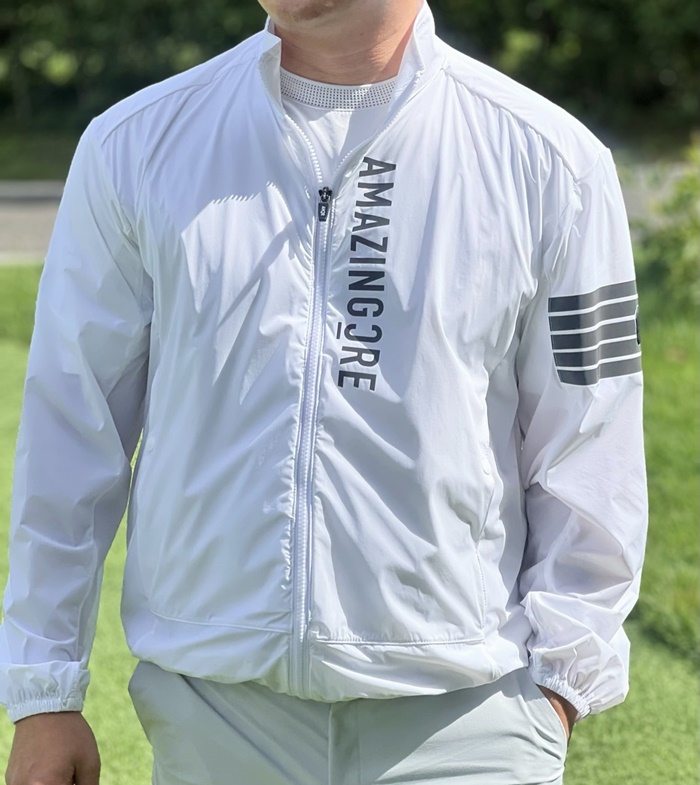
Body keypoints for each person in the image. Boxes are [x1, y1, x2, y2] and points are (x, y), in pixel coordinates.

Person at [0, 0, 648, 783]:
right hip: (216, 721)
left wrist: (561, 685)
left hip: (470, 724)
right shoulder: (134, 145)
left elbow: (592, 442)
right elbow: (73, 431)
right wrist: (44, 689)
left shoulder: (553, 162)